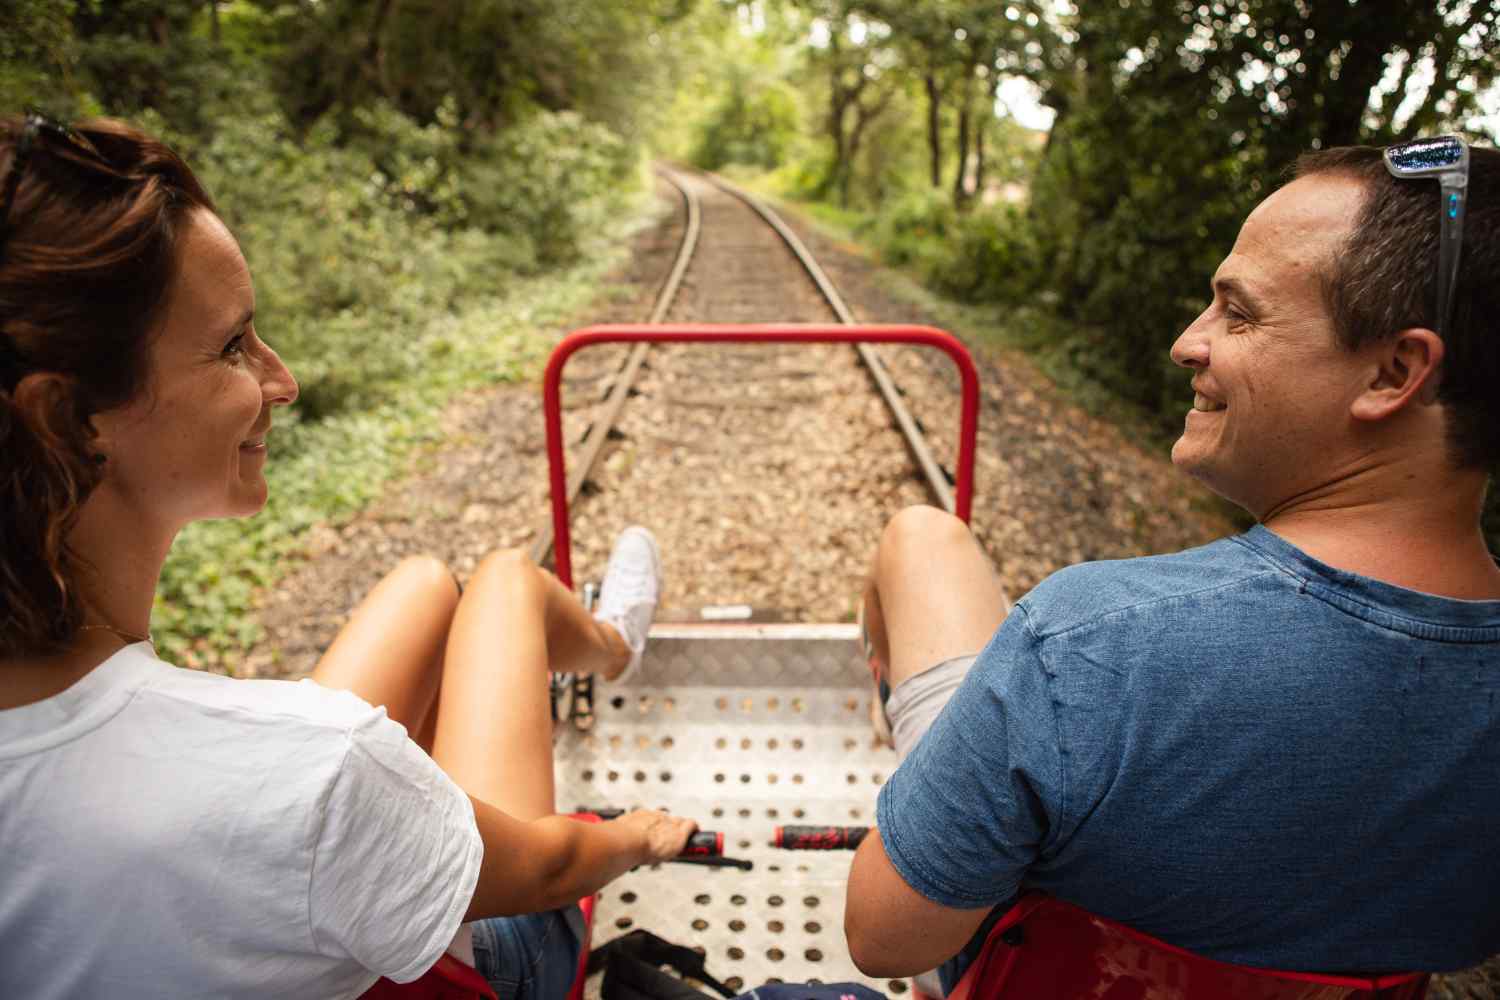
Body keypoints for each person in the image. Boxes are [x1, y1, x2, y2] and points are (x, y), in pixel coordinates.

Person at [0, 111, 695, 999]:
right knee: (505, 581)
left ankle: (602, 638)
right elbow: (552, 869)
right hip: (485, 957)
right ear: (65, 420)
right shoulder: (319, 767)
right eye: (230, 347)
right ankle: (611, 642)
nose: (281, 381)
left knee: (421, 586)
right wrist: (639, 834)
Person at [843, 136, 1500, 990]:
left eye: (1239, 312)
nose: (1189, 343)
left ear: (1393, 372)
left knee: (921, 536)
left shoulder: (1094, 642)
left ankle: (919, 769)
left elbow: (885, 941)